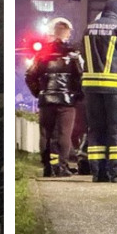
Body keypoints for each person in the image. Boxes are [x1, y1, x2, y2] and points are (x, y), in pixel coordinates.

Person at [80, 0, 117, 183]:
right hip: (115, 86)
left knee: (95, 129)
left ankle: (98, 172)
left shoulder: (87, 29)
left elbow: (82, 53)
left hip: (91, 87)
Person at [25, 18, 84, 177]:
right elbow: (80, 76)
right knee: (65, 134)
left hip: (46, 100)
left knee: (45, 133)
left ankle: (47, 167)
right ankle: (61, 167)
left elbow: (30, 75)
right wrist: (76, 95)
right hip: (66, 100)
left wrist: (39, 92)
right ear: (67, 32)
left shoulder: (42, 53)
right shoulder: (73, 54)